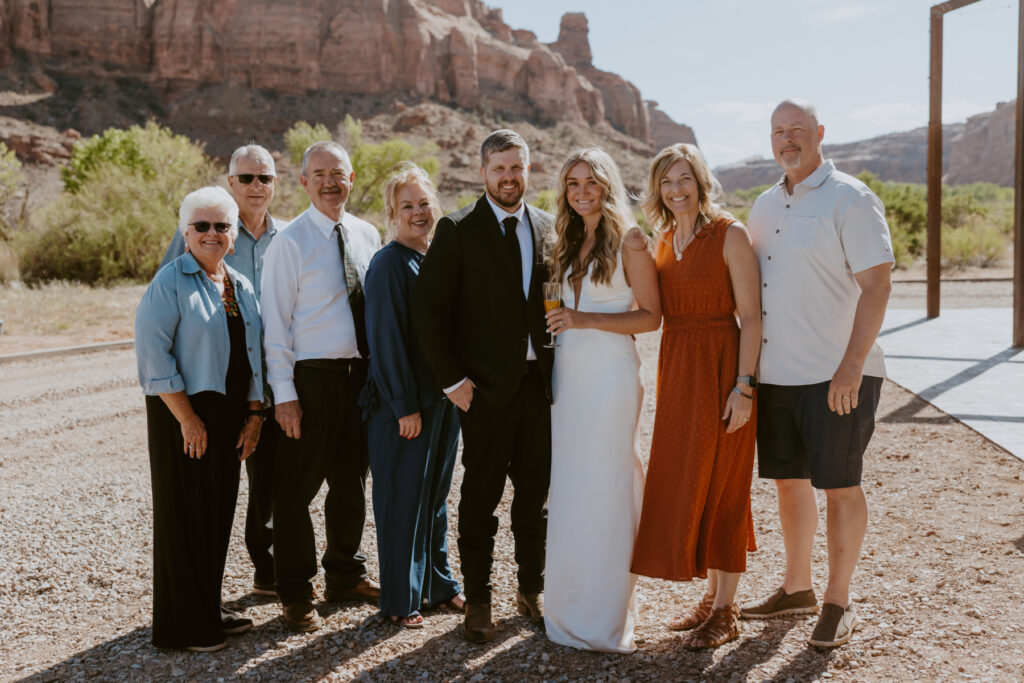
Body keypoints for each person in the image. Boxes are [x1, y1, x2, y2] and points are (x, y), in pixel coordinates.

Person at [739, 100, 893, 649]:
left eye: (797, 130)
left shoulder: (849, 197)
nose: (788, 140)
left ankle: (837, 601)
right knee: (789, 482)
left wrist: (850, 368)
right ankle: (796, 588)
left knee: (841, 485)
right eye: (779, 132)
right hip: (778, 376)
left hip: (837, 375)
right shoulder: (761, 204)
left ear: (820, 134)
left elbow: (877, 285)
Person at [413, 129, 554, 644]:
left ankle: (531, 588)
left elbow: (551, 298)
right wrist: (452, 381)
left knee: (535, 499)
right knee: (479, 499)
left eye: (517, 167)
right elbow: (427, 311)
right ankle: (478, 600)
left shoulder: (546, 226)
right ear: (483, 173)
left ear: (528, 169)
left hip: (539, 388)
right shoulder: (457, 229)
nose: (509, 177)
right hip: (484, 393)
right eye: (499, 169)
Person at [630, 143, 762, 649]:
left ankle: (726, 611)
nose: (676, 189)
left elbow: (751, 317)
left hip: (724, 366)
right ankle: (711, 596)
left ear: (701, 182)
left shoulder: (730, 234)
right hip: (679, 368)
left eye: (684, 178)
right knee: (691, 479)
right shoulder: (661, 241)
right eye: (666, 181)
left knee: (726, 483)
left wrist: (744, 387)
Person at [135, 186, 265, 651]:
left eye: (221, 226)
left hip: (229, 413)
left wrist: (254, 416)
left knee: (216, 515)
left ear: (233, 233)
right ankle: (182, 626)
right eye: (202, 226)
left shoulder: (240, 285)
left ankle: (207, 608)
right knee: (184, 516)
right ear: (185, 231)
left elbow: (253, 356)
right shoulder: (169, 283)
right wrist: (189, 420)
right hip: (183, 413)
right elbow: (153, 358)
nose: (212, 234)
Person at [541, 148, 661, 653]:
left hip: (610, 373)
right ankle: (569, 608)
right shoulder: (564, 239)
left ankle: (606, 615)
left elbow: (651, 316)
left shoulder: (630, 240)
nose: (582, 191)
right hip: (569, 372)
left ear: (607, 185)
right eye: (572, 183)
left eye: (591, 181)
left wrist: (585, 319)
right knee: (571, 486)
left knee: (607, 483)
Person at [260, 140, 382, 632]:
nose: (330, 182)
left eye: (339, 173)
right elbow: (274, 325)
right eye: (319, 173)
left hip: (358, 379)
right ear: (304, 182)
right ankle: (294, 591)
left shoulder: (366, 234)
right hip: (309, 380)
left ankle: (344, 575)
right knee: (294, 493)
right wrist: (284, 397)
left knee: (351, 486)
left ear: (352, 179)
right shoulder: (288, 242)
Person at [159, 144, 285, 596]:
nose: (256, 186)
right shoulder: (199, 230)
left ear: (275, 184)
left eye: (265, 178)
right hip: (211, 389)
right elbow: (167, 309)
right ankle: (194, 601)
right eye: (246, 178)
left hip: (272, 384)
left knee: (269, 482)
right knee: (209, 493)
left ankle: (268, 570)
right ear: (230, 183)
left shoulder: (285, 238)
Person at [359, 163, 465, 629]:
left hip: (440, 403)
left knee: (434, 499)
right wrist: (404, 406)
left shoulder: (430, 257)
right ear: (392, 213)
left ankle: (437, 585)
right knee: (402, 501)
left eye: (424, 204)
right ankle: (400, 600)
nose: (418, 213)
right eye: (408, 206)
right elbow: (385, 341)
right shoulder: (388, 264)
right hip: (405, 409)